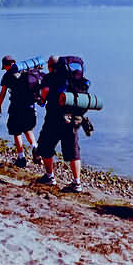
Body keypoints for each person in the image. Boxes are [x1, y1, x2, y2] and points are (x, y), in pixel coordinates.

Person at [35, 55, 85, 193]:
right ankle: (77, 183)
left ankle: (50, 177)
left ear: (51, 66)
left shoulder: (50, 78)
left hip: (54, 118)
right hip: (73, 118)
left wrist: (41, 99)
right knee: (73, 150)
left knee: (46, 146)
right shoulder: (76, 79)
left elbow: (44, 94)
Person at [0, 55, 40, 168]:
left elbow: (3, 92)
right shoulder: (27, 72)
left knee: (16, 132)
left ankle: (21, 158)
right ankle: (35, 147)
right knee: (27, 129)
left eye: (4, 67)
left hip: (16, 107)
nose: (4, 69)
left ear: (6, 65)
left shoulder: (7, 75)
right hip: (30, 107)